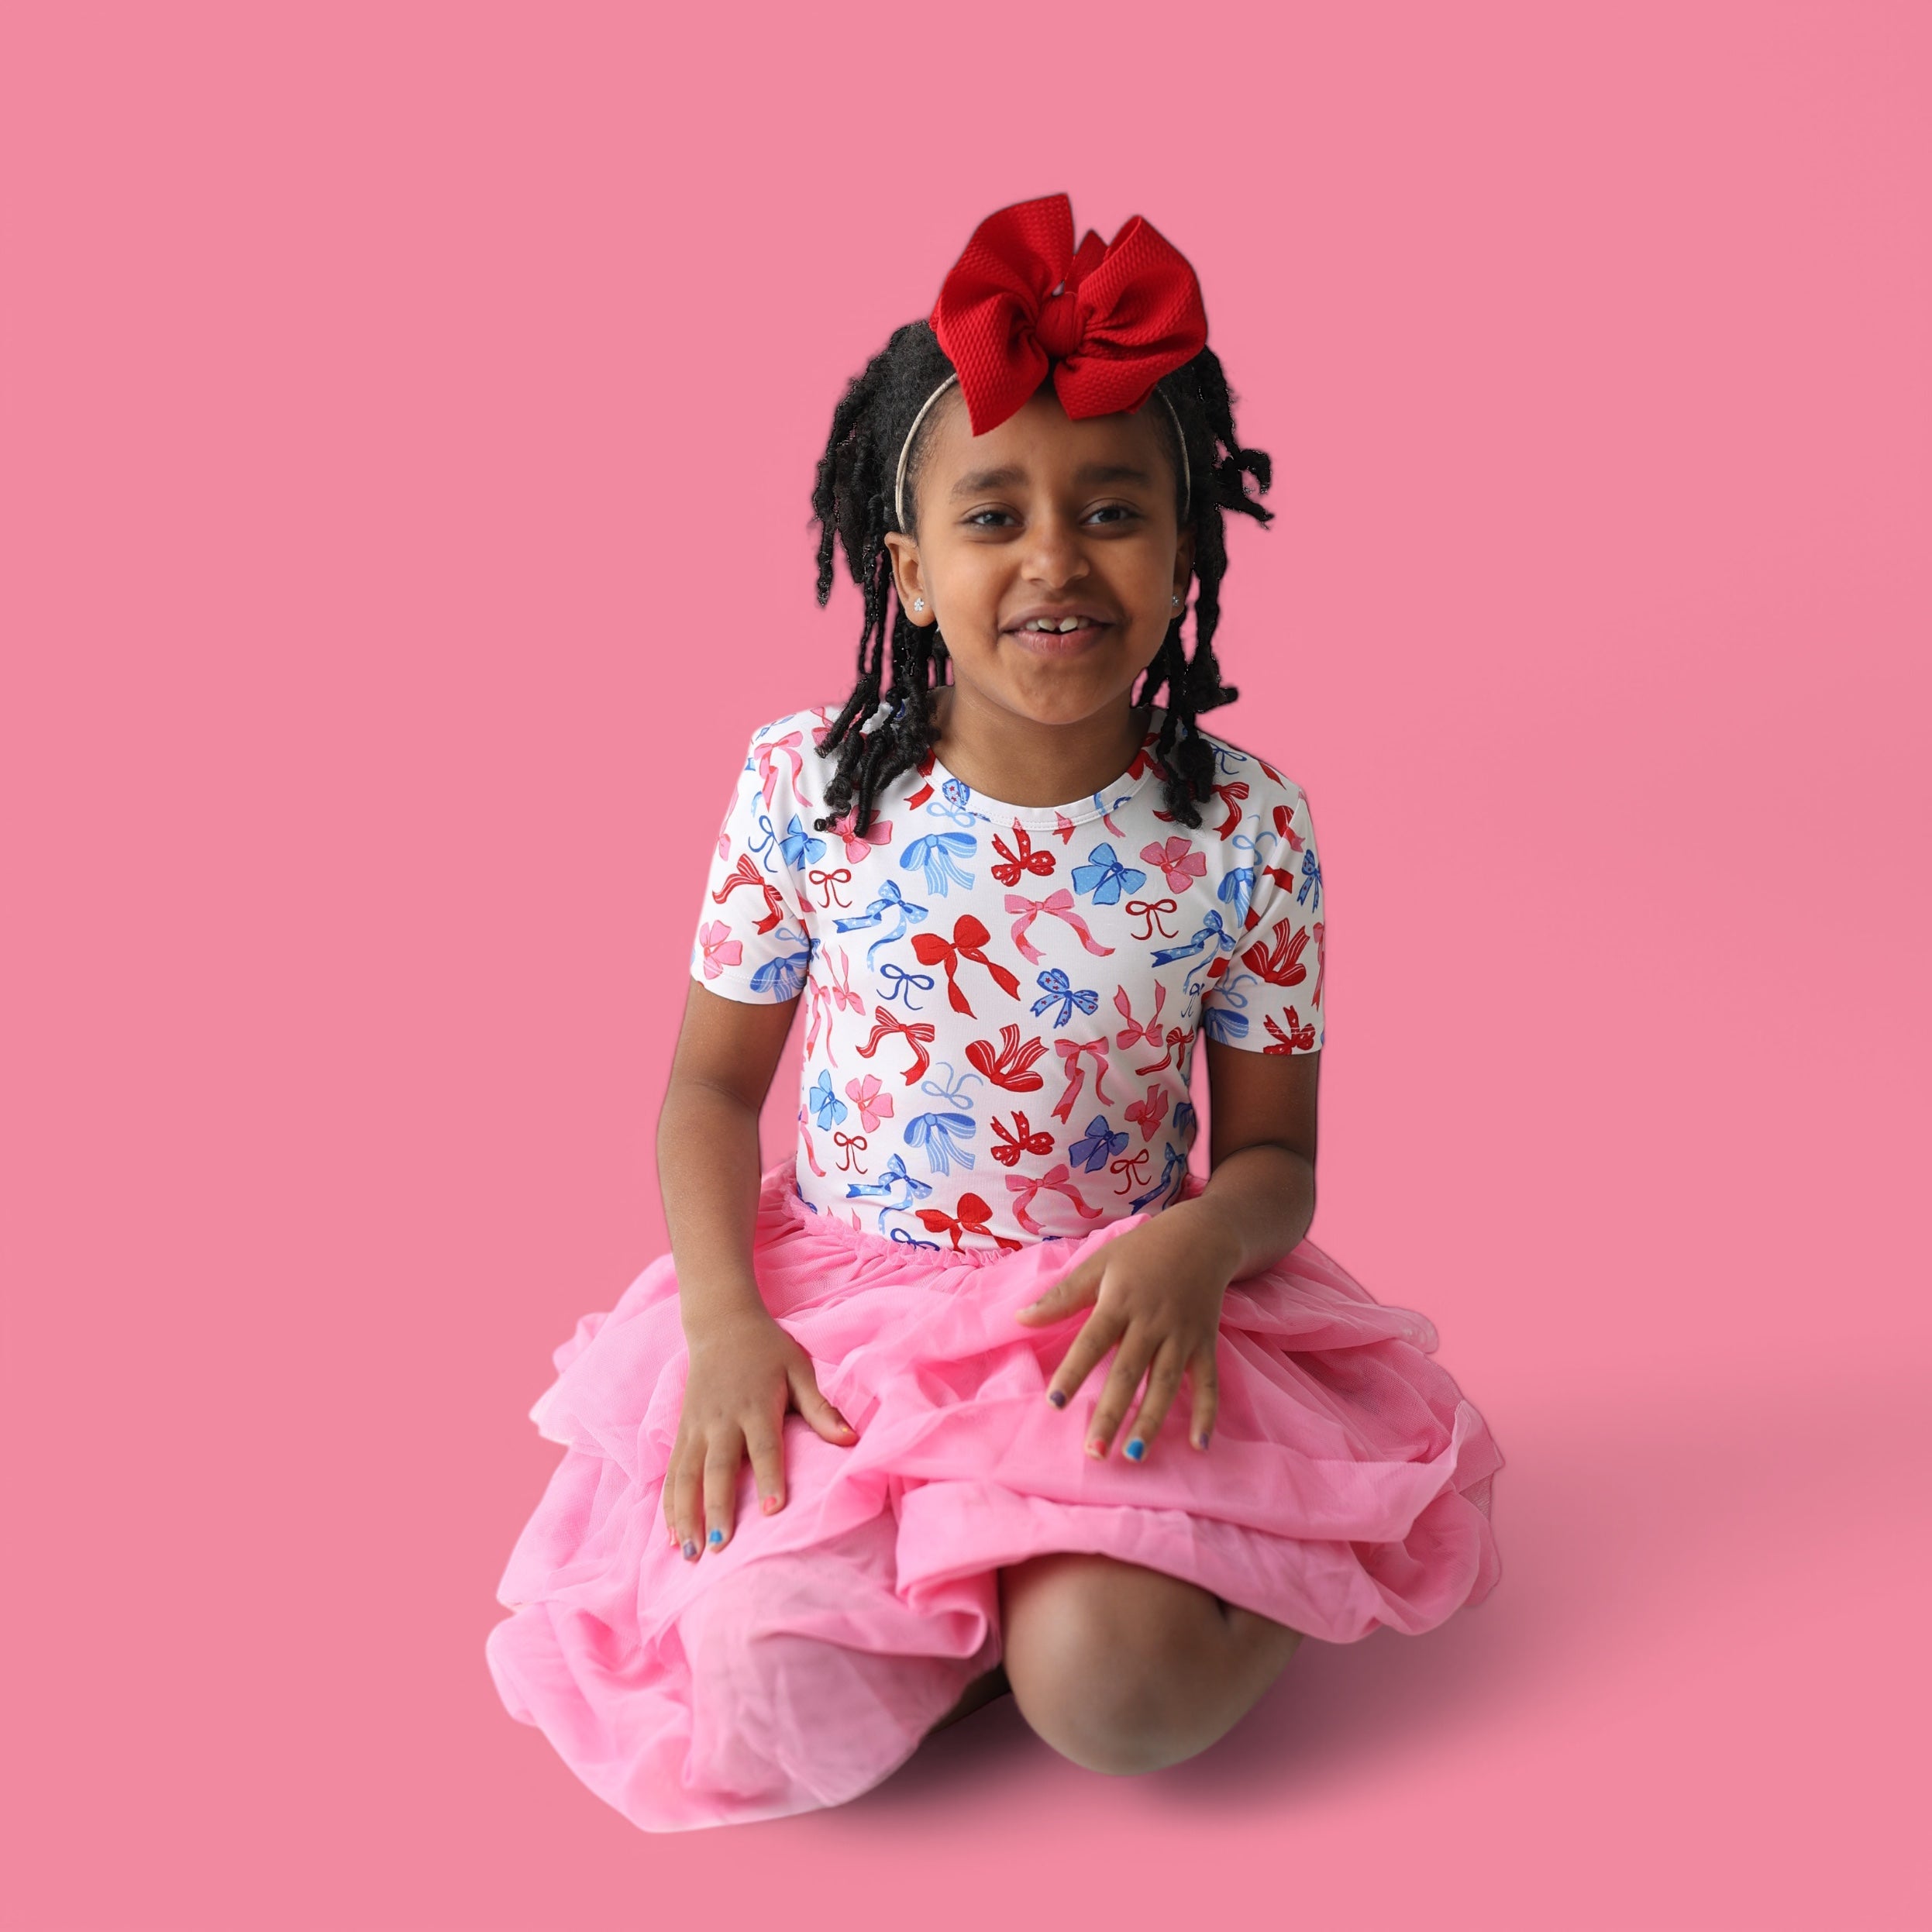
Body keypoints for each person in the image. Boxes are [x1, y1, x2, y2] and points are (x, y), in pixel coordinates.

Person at [486, 192, 1503, 1831]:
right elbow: (706, 1092)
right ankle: (970, 1596)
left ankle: (1257, 1557)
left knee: (1115, 1697)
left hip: (1108, 1316)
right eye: (992, 513)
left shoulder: (1243, 826)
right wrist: (730, 1323)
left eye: (1111, 510)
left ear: (1184, 550)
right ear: (908, 567)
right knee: (751, 1680)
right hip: (850, 1330)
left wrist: (1198, 1243)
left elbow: (1274, 1164)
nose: (1054, 557)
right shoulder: (805, 789)